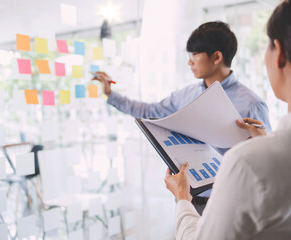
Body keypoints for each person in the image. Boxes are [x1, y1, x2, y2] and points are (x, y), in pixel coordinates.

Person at [93, 21, 272, 212]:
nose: (190, 61)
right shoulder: (186, 95)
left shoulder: (251, 105)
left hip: (230, 205)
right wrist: (111, 95)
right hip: (187, 201)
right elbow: (149, 111)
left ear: (217, 56)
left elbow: (268, 162)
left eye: (195, 54)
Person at [164, 0, 291, 239]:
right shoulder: (188, 92)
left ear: (279, 53)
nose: (191, 61)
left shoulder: (246, 162)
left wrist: (182, 198)